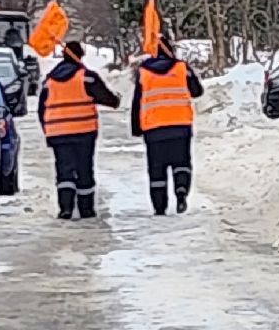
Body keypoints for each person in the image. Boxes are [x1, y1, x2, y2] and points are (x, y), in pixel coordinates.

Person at [36, 40, 121, 219]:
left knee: (64, 170)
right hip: (84, 131)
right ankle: (86, 209)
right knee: (84, 169)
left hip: (58, 133)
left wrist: (48, 129)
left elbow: (41, 109)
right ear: (80, 55)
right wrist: (116, 99)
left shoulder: (49, 81)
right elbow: (108, 98)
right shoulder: (86, 77)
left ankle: (65, 208)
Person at [131, 40, 205, 214]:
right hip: (180, 126)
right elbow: (197, 91)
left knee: (157, 169)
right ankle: (181, 192)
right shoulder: (182, 68)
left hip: (154, 128)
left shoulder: (143, 71)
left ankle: (159, 207)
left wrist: (136, 127)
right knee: (182, 163)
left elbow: (137, 101)